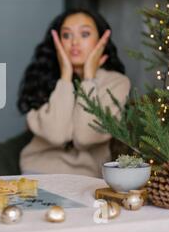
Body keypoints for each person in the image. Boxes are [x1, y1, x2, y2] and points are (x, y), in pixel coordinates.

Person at [17, 9, 130, 178]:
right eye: (66, 35)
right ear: (57, 43)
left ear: (101, 41)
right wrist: (65, 77)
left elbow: (85, 137)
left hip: (86, 179)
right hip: (36, 173)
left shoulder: (116, 83)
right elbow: (57, 135)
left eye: (84, 34)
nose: (75, 42)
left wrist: (89, 78)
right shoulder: (42, 78)